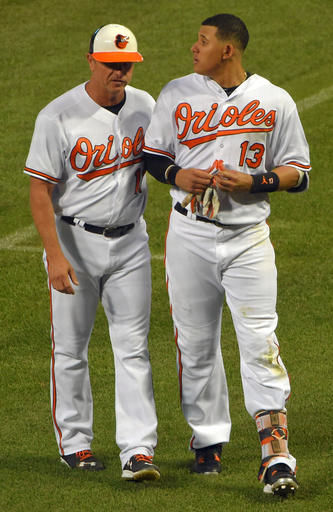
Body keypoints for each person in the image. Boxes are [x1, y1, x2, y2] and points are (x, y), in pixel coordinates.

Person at [143, 13, 310, 497]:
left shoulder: (274, 100)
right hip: (189, 236)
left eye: (203, 40)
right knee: (194, 343)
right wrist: (177, 175)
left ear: (228, 51)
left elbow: (300, 172)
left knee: (260, 341)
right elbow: (153, 155)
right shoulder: (177, 93)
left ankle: (275, 455)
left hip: (248, 239)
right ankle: (208, 440)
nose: (194, 47)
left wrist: (254, 182)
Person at [24, 23, 160, 482]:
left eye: (127, 65)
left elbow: (164, 161)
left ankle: (138, 450)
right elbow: (40, 190)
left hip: (130, 243)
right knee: (70, 349)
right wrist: (55, 255)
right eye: (111, 64)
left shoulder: (146, 106)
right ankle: (76, 444)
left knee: (134, 348)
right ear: (91, 61)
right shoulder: (57, 116)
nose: (120, 72)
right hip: (74, 243)